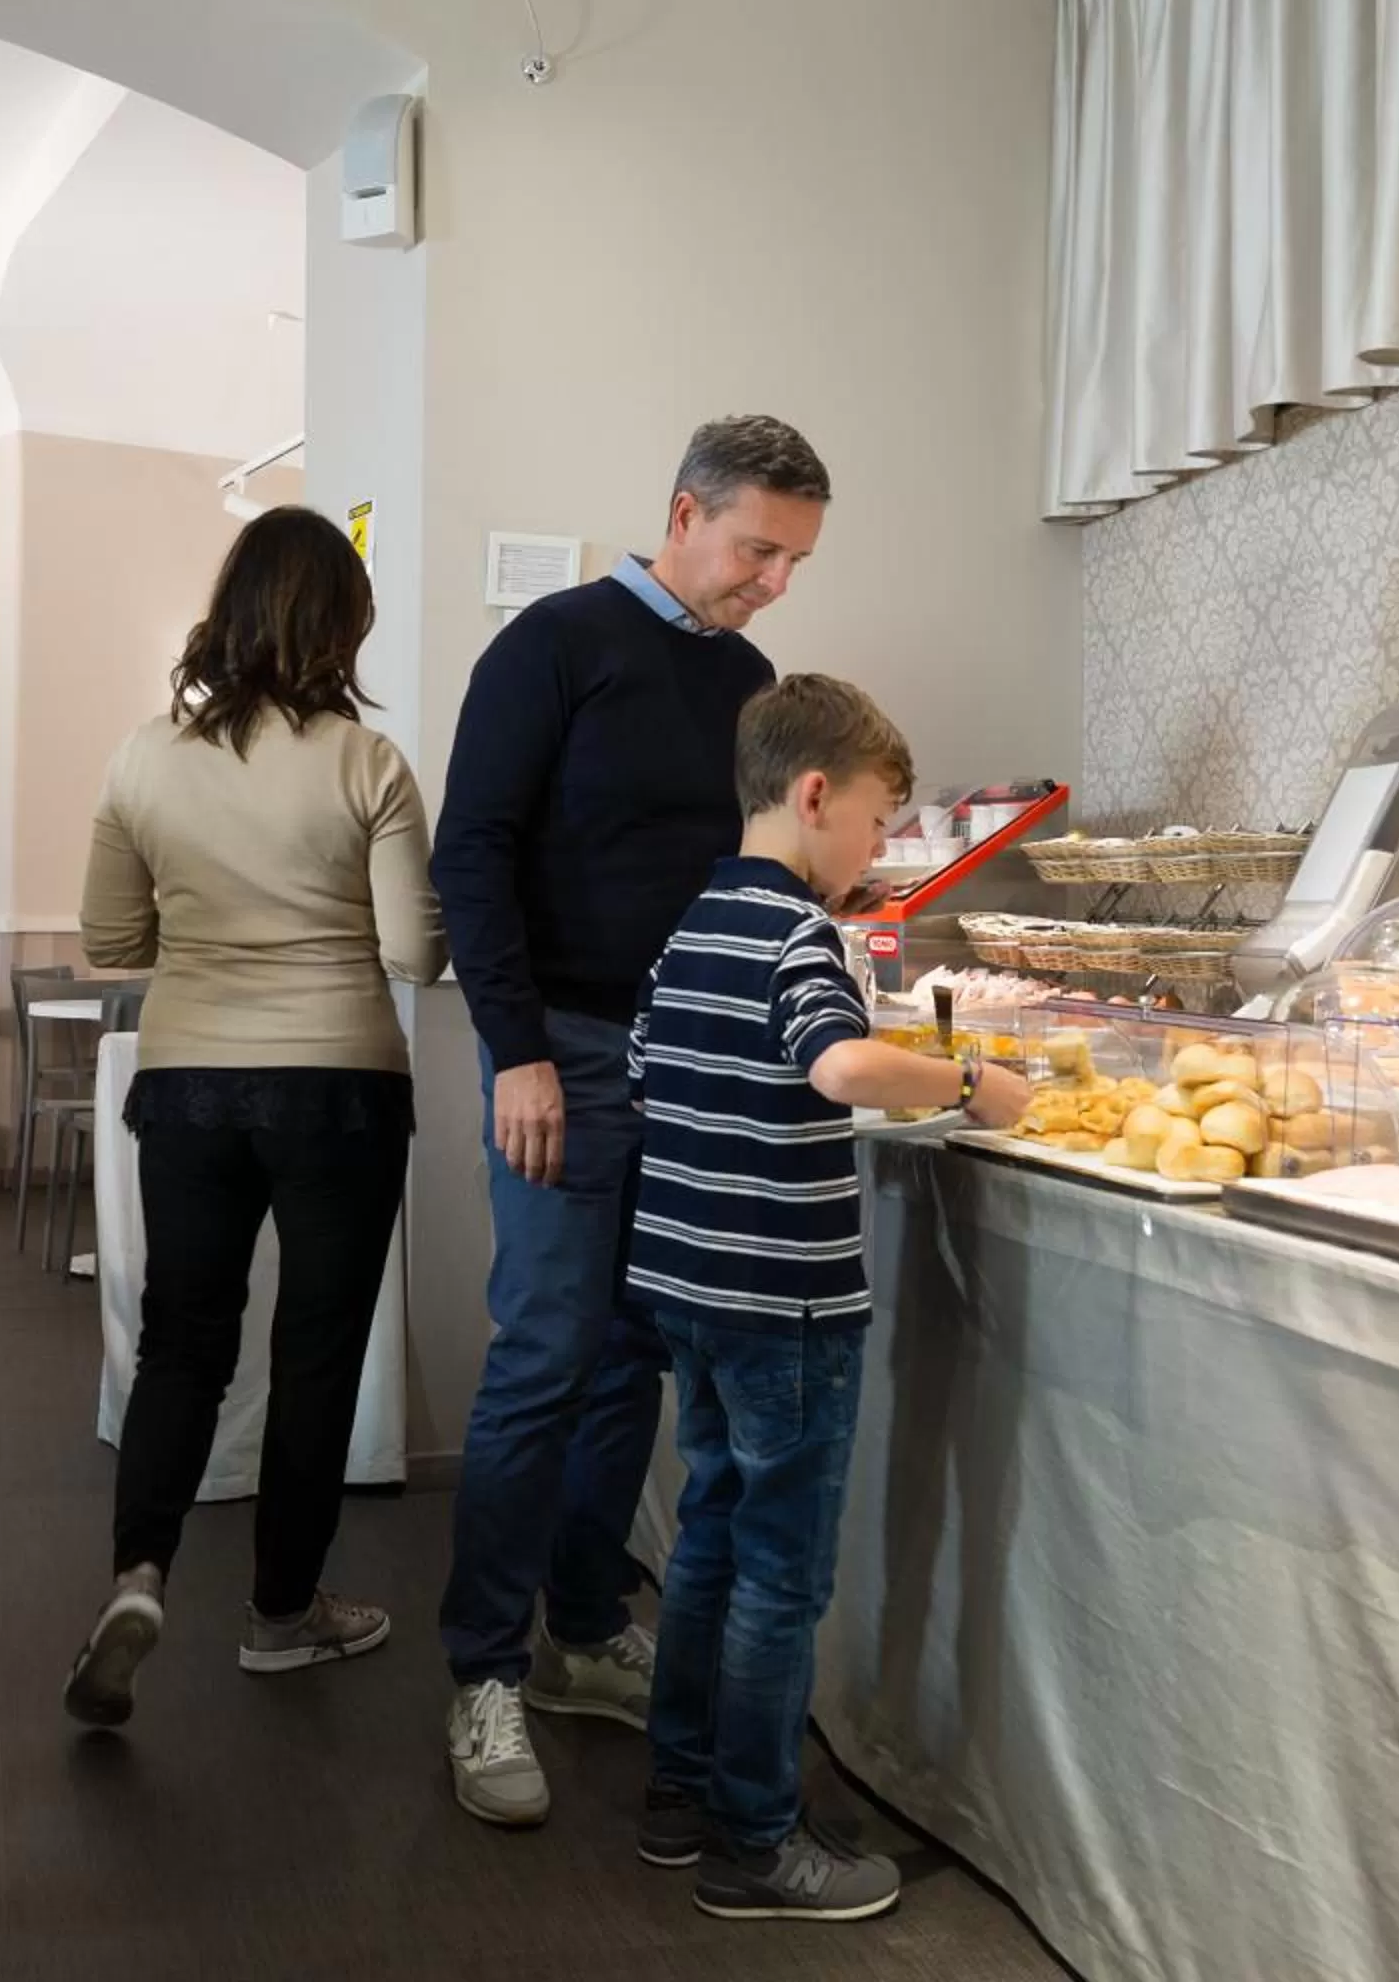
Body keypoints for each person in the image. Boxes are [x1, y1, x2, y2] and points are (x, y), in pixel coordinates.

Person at [431, 415, 832, 1826]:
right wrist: (518, 1053)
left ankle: (584, 1631)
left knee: (635, 1358)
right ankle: (482, 1672)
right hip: (565, 1047)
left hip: (691, 1056)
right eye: (757, 550)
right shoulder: (552, 645)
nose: (773, 582)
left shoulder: (748, 682)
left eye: (794, 562)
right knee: (544, 1354)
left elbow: (745, 866)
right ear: (683, 514)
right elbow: (470, 853)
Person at [628, 675, 1027, 1921]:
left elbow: (647, 1067)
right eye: (874, 822)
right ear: (813, 796)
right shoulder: (802, 937)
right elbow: (840, 1064)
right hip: (785, 1302)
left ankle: (682, 1790)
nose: (878, 851)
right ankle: (758, 1838)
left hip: (689, 1285)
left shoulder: (692, 923)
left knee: (709, 1534)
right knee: (781, 1575)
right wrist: (971, 1080)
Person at [61, 505, 447, 1727]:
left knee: (184, 1339)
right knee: (316, 1351)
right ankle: (283, 1613)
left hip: (188, 1082)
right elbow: (412, 951)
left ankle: (139, 1573)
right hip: (341, 1084)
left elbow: (109, 939)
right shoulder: (368, 763)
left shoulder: (142, 759)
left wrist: (207, 929)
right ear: (342, 623)